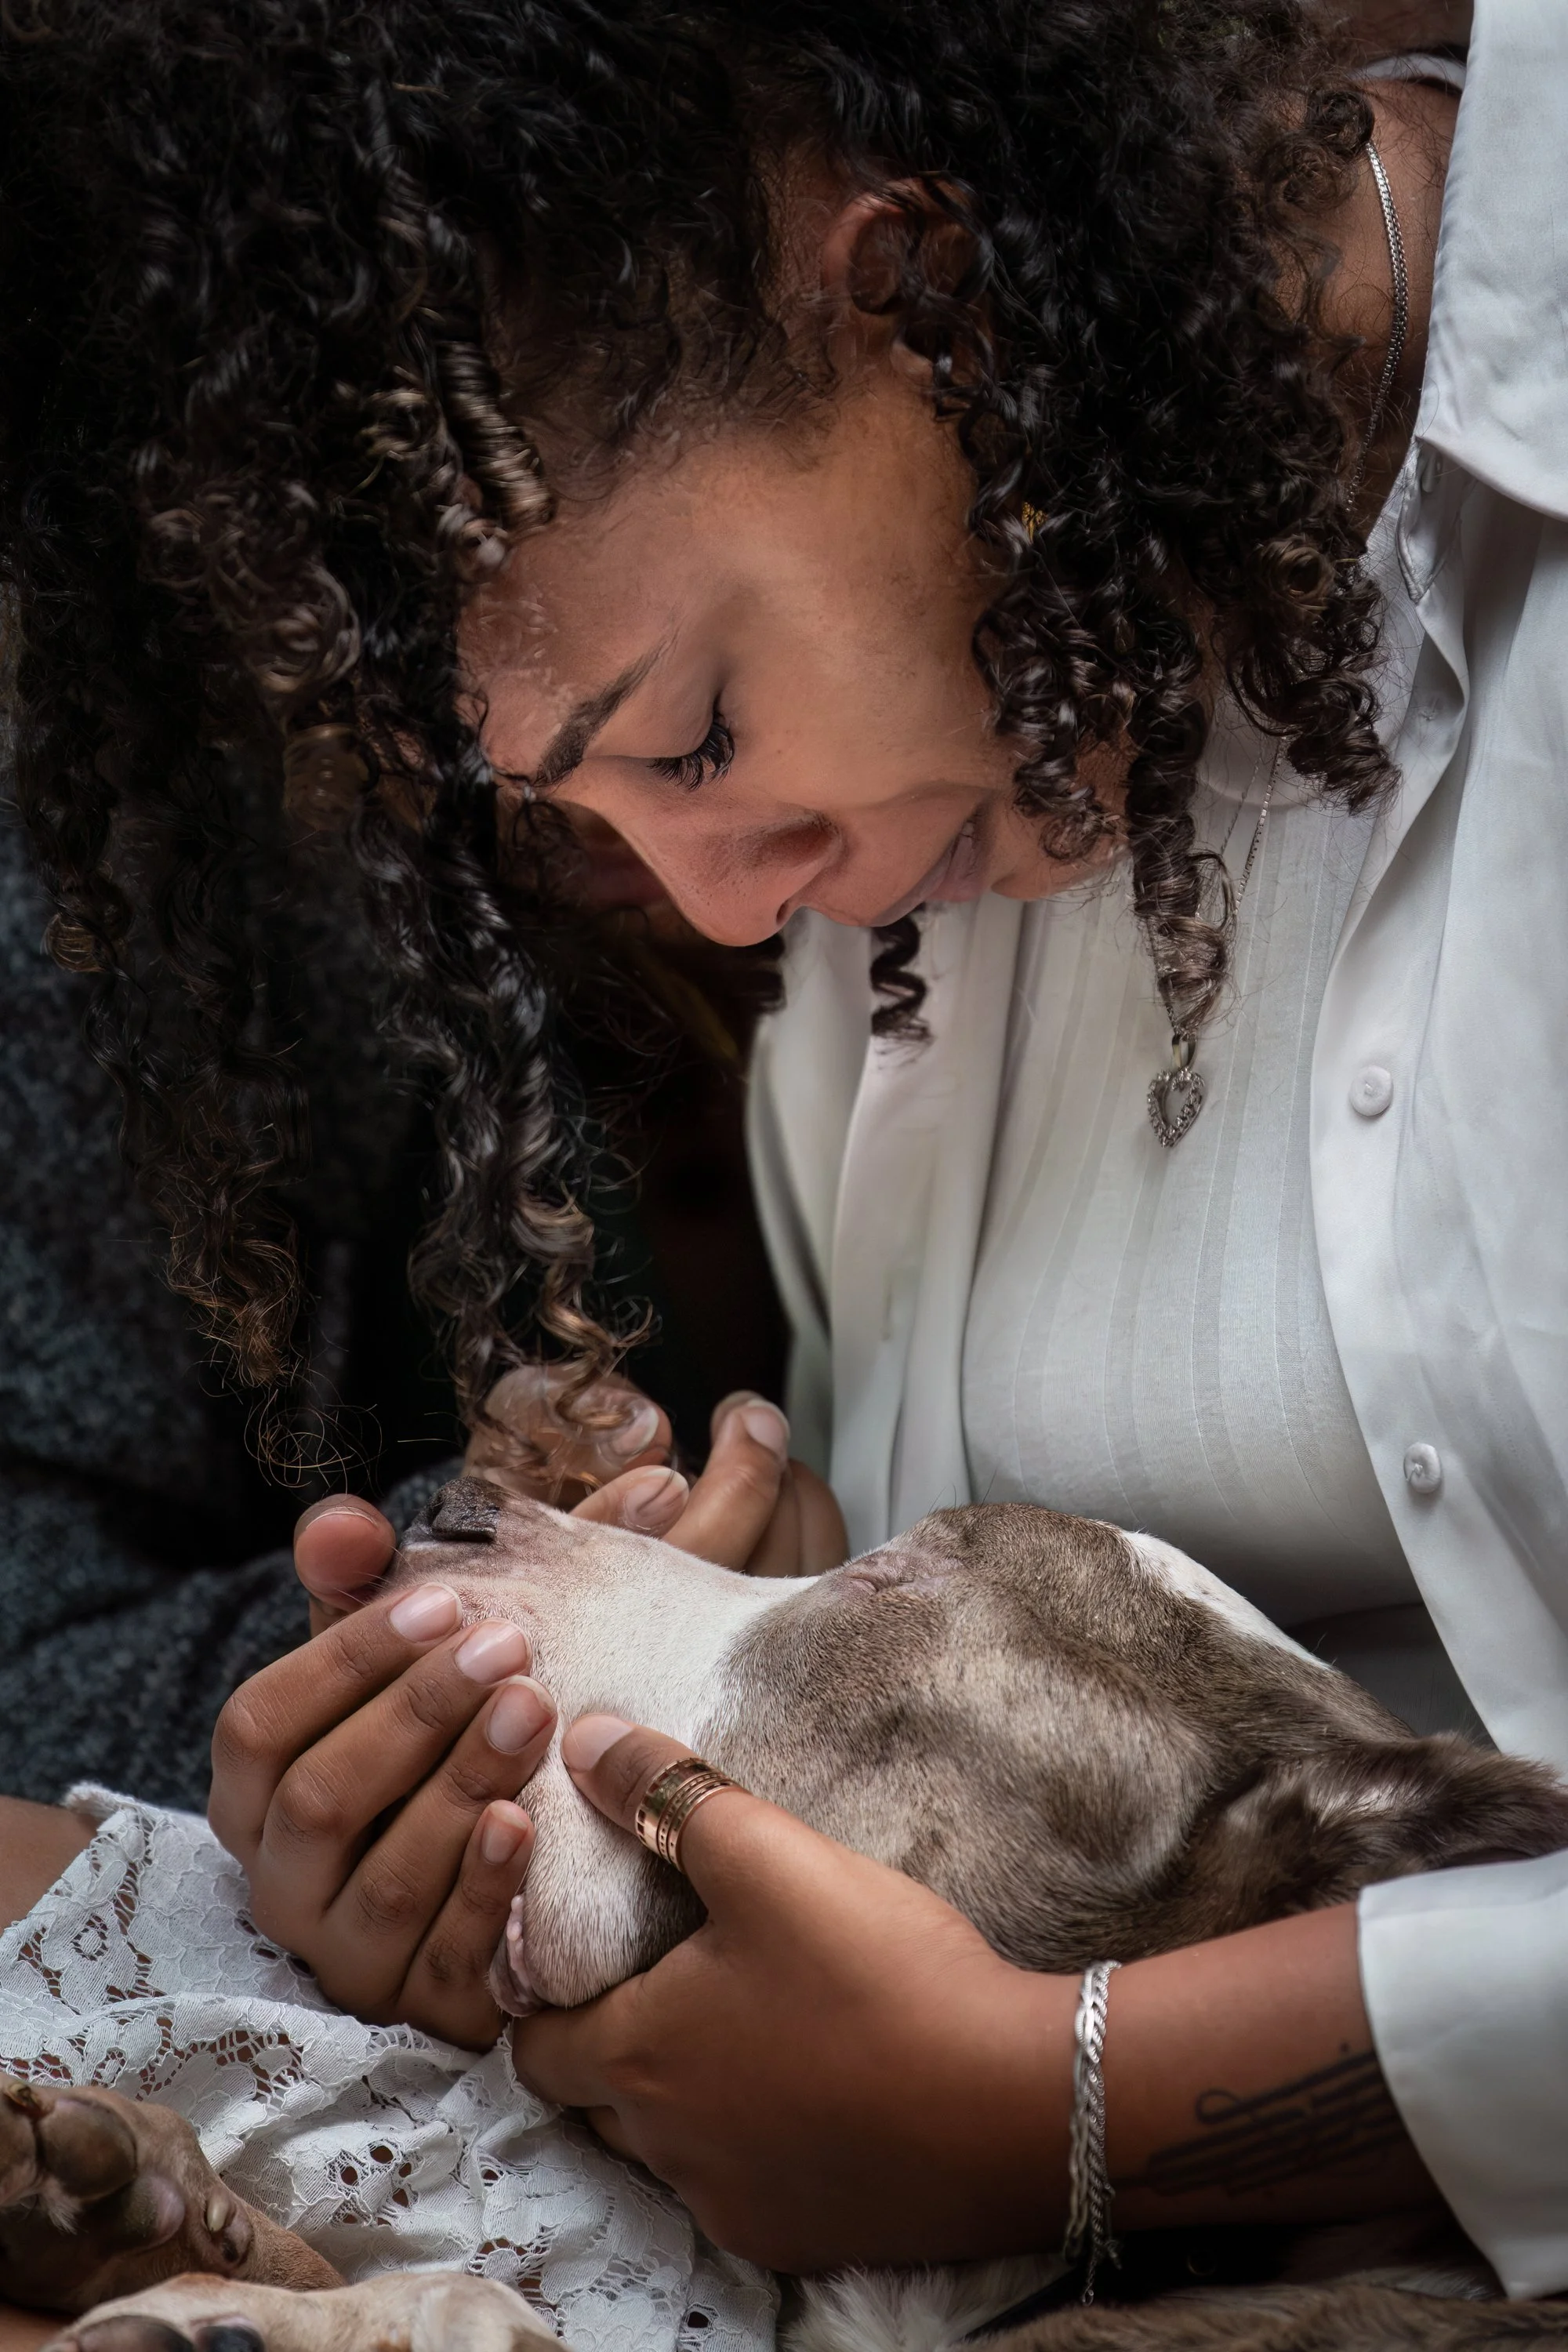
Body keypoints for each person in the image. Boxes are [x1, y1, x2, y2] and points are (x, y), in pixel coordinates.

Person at [2, 0, 1564, 2320]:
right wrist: (564, 1817)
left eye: (703, 732)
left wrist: (1080, 2101)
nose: (736, 911)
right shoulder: (956, 833)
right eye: (599, 821)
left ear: (931, 296)